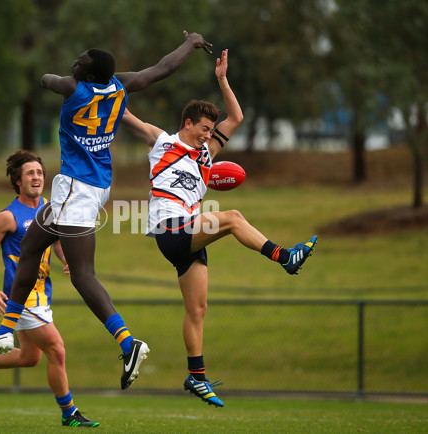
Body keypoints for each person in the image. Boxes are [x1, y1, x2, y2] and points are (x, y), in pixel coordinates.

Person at [0, 30, 213, 391]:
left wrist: (53, 77)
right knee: (31, 249)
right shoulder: (120, 85)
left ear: (88, 73)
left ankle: (129, 343)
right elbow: (161, 69)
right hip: (95, 185)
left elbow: (47, 80)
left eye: (81, 61)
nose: (76, 61)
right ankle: (5, 331)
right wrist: (190, 43)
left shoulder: (74, 89)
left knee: (82, 274)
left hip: (76, 191)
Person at [120, 49, 318, 407]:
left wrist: (223, 79)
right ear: (187, 124)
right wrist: (103, 89)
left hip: (190, 232)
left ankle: (196, 377)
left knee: (197, 310)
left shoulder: (206, 153)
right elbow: (125, 115)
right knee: (233, 217)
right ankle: (286, 256)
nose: (208, 136)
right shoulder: (162, 141)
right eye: (204, 129)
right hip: (169, 227)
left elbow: (237, 116)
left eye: (212, 131)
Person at [0, 150, 98, 428]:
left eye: (40, 173)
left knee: (31, 357)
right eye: (30, 173)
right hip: (23, 298)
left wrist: (69, 261)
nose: (37, 177)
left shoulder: (50, 208)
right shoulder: (7, 216)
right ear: (18, 181)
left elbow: (55, 243)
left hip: (43, 294)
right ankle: (70, 414)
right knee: (57, 350)